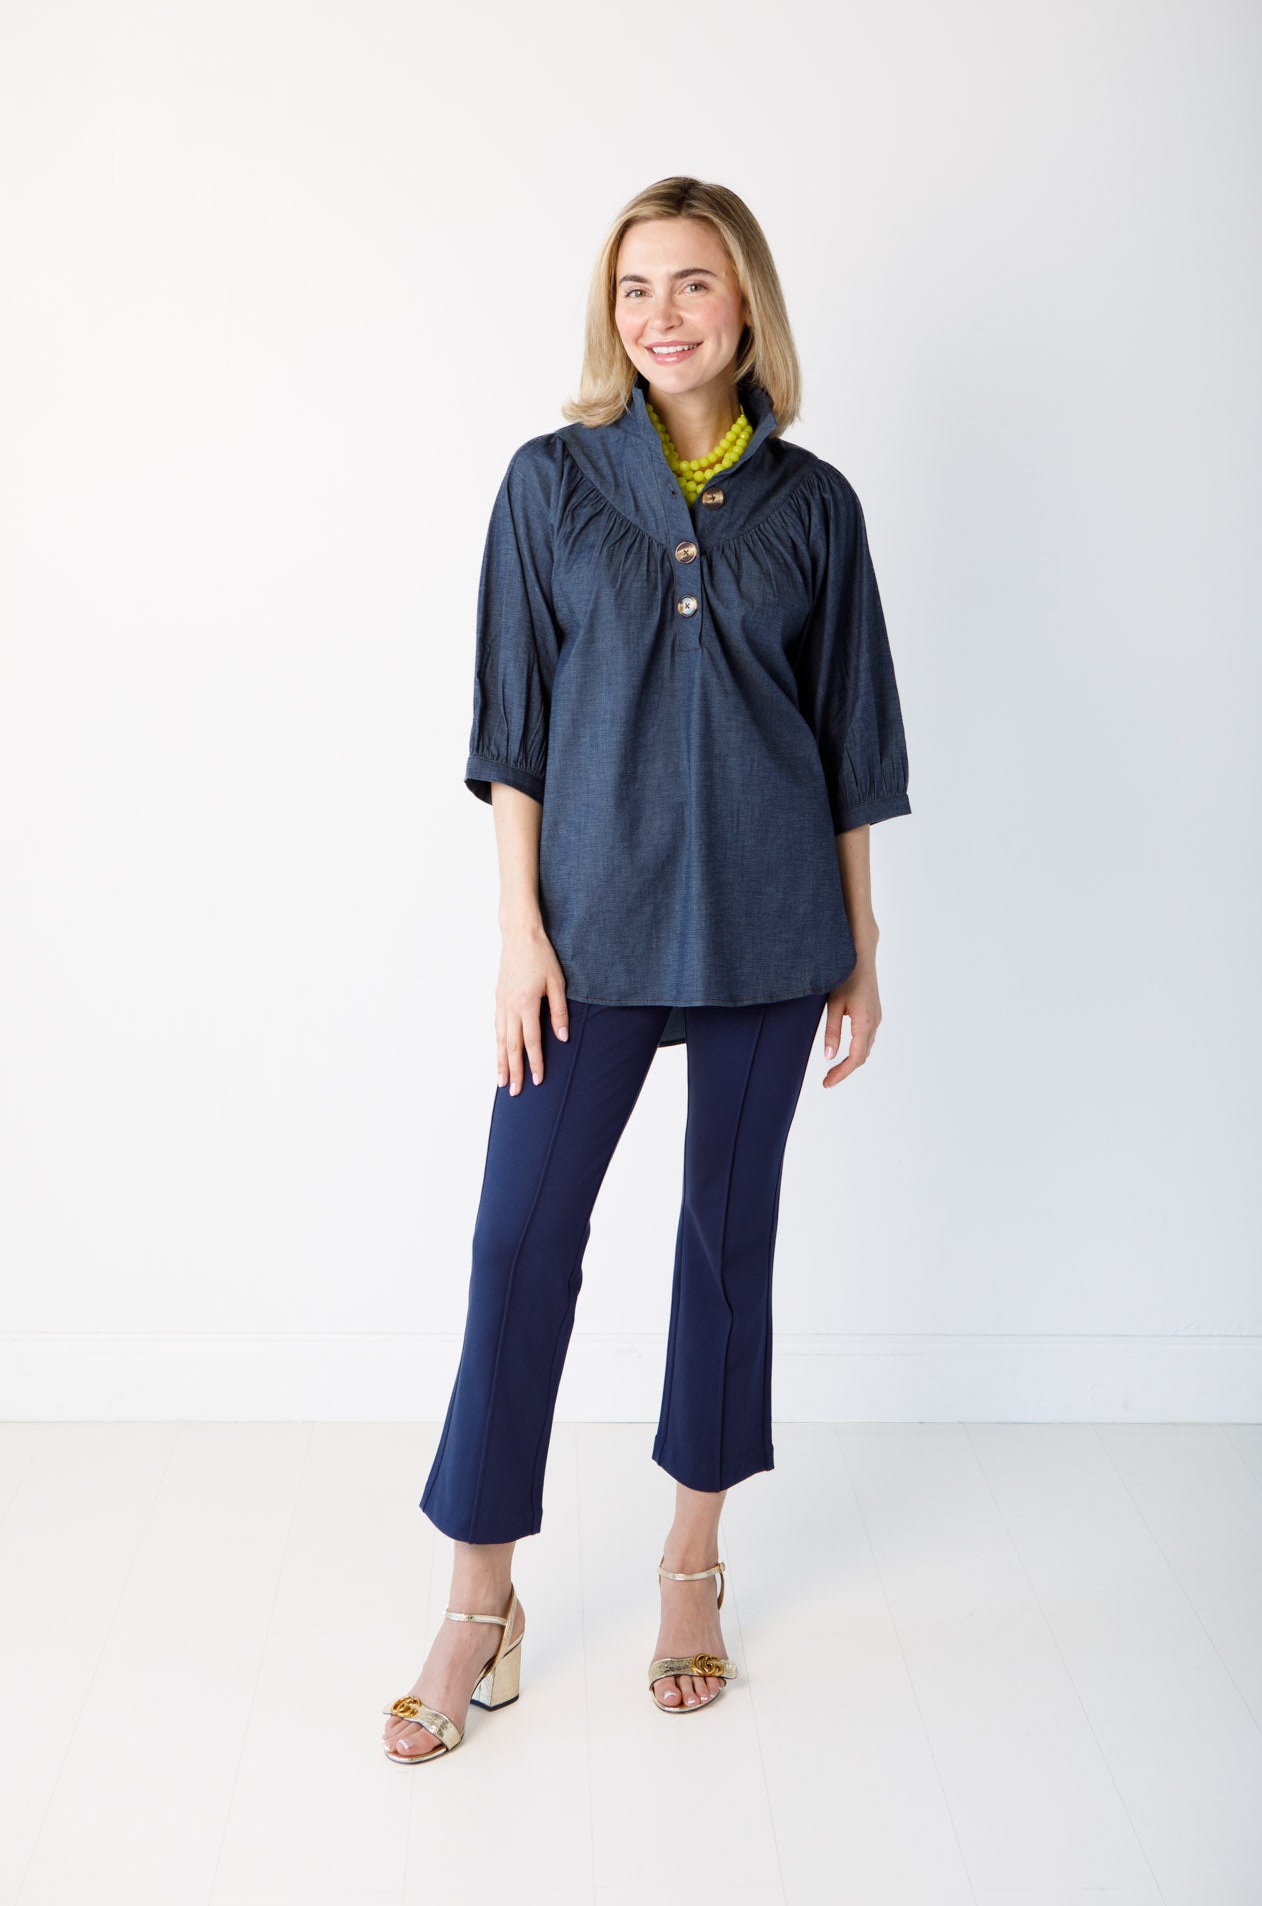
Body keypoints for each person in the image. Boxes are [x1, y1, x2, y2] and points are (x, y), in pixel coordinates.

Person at [381, 174, 911, 1761]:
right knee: (517, 1247)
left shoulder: (814, 506)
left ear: (745, 304)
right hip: (589, 930)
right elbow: (510, 728)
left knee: (722, 1244)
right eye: (633, 290)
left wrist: (861, 945)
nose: (661, 315)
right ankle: (481, 1596)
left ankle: (693, 1564)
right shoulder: (550, 486)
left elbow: (848, 741)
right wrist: (517, 932)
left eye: (690, 285)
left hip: (768, 926)